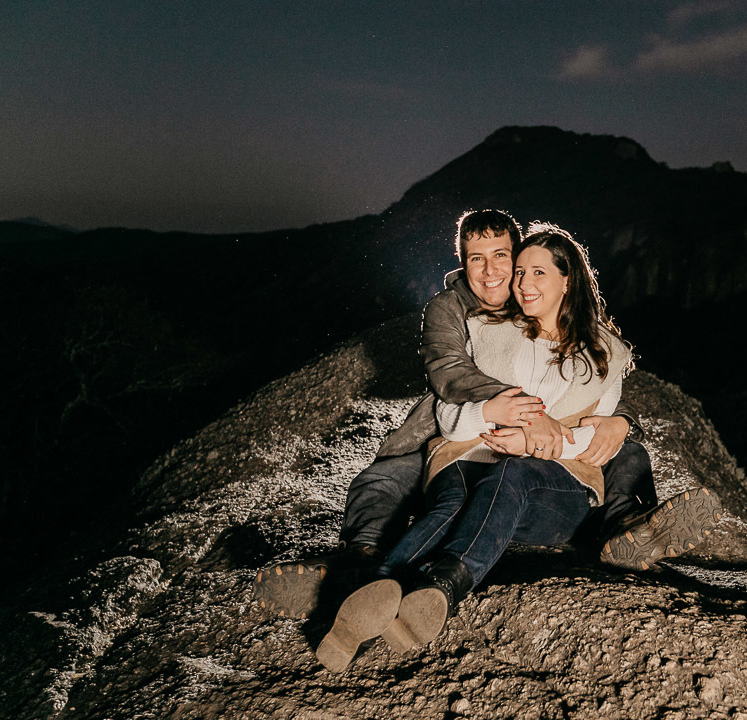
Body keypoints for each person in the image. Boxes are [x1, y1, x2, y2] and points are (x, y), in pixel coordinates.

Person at [252, 210, 711, 621]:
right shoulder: (450, 309)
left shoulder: (534, 301)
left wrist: (619, 419)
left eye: (503, 259)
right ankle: (360, 565)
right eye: (476, 259)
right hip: (456, 425)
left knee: (625, 450)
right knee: (391, 478)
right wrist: (527, 418)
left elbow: (594, 389)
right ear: (462, 262)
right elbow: (451, 375)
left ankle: (625, 528)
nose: (494, 273)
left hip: (527, 451)